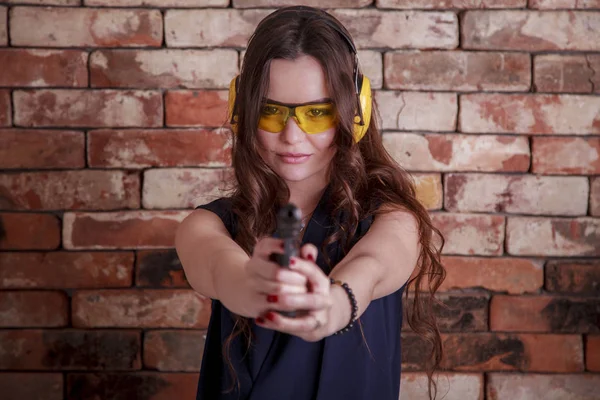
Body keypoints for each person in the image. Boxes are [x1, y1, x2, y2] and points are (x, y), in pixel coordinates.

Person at [175, 6, 446, 400]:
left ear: (355, 112)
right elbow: (218, 266)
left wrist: (332, 304)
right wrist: (251, 285)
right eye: (270, 111)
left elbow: (369, 269)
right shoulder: (206, 226)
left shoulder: (393, 221)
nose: (292, 135)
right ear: (243, 111)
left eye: (317, 113)